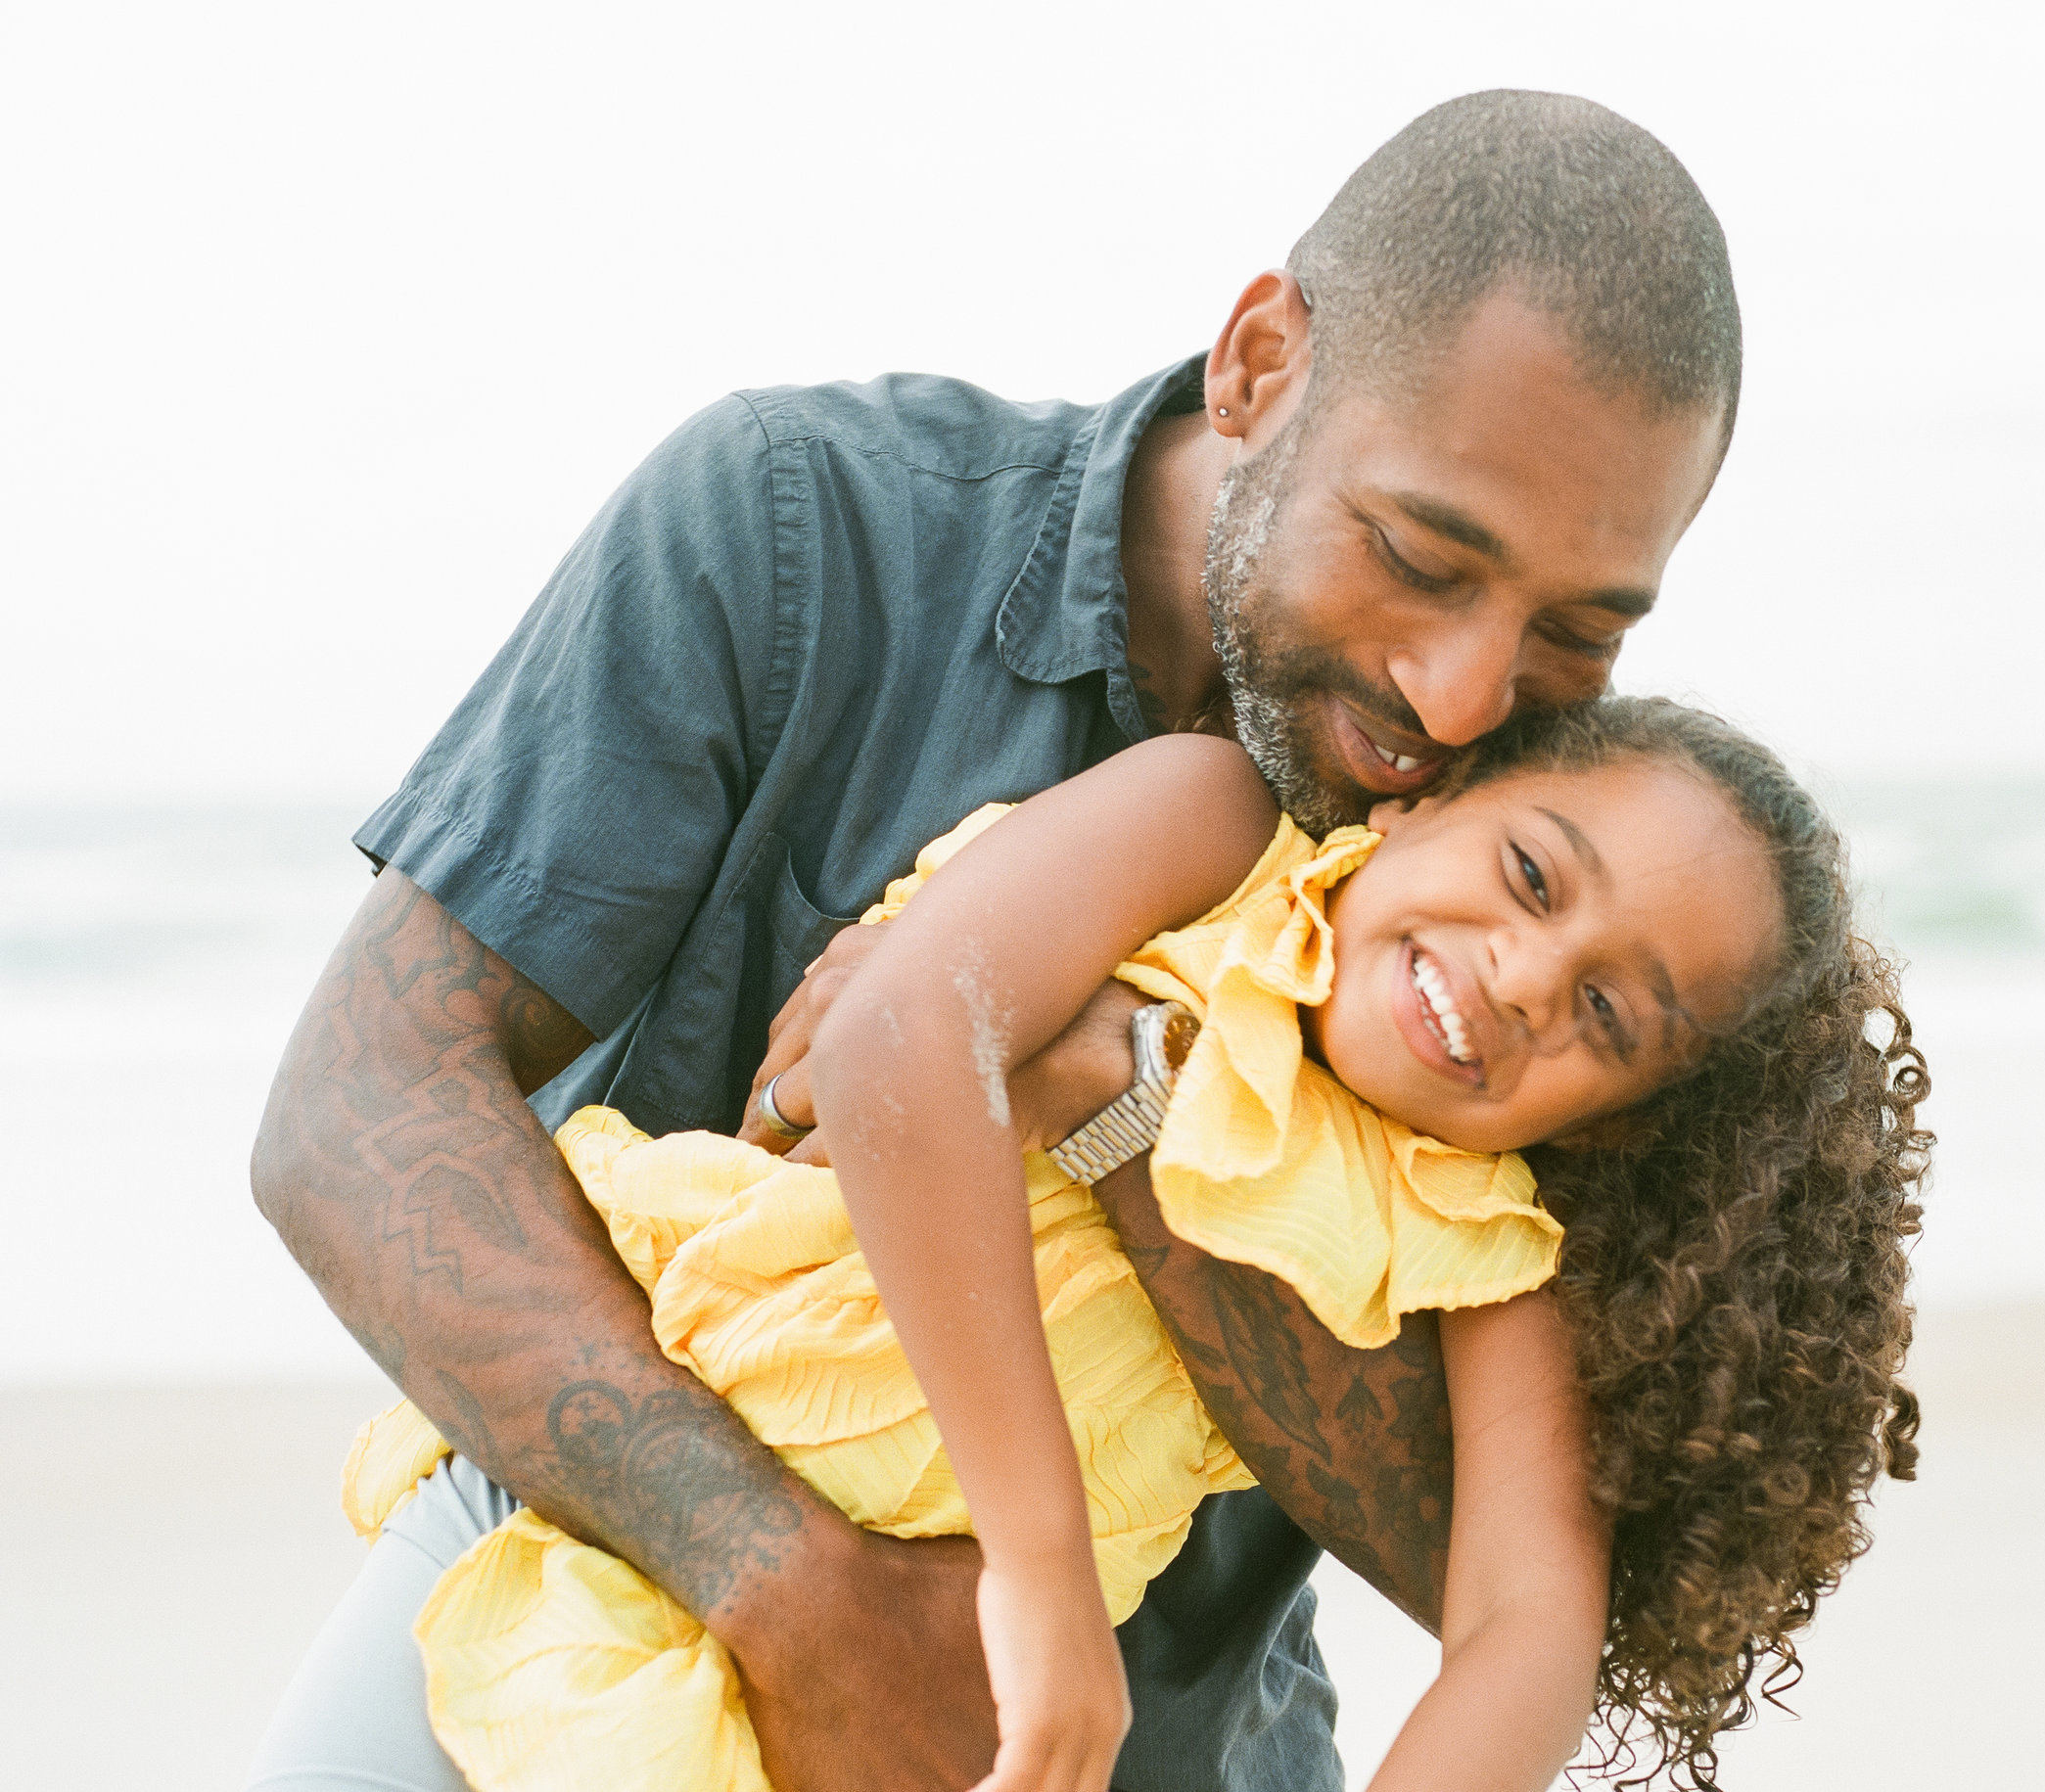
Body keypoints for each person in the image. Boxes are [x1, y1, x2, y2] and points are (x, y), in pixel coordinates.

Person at [249, 91, 1751, 1792]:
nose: (1462, 691)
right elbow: (355, 1117)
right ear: (1259, 360)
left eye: (1578, 629)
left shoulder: (1545, 876)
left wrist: (1127, 1102)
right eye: (1417, 556)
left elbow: (1499, 1552)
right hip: (602, 1645)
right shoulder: (804, 531)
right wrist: (799, 1603)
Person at [336, 697, 1926, 1792]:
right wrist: (1036, 1574)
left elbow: (1528, 1637)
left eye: (1603, 1012)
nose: (1522, 975)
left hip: (940, 1717)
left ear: (1612, 1124)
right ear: (1424, 797)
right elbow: (899, 1035)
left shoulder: (1486, 1250)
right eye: (1529, 876)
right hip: (610, 1492)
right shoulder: (1209, 837)